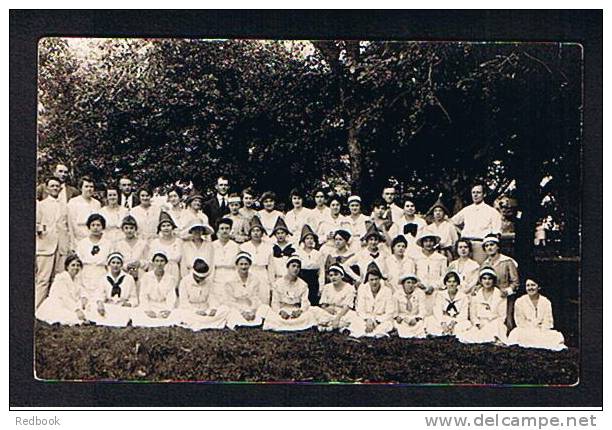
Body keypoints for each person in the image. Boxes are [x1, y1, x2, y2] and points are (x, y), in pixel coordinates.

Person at [36, 177, 71, 309]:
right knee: (43, 279)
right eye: (52, 186)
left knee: (58, 279)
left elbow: (67, 226)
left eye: (57, 186)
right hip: (46, 246)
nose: (55, 188)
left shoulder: (65, 206)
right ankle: (36, 308)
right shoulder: (41, 205)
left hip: (61, 246)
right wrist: (41, 229)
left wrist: (67, 245)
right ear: (47, 188)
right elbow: (36, 224)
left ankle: (53, 308)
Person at [507, 279, 566, 351]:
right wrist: (531, 328)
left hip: (541, 331)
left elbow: (548, 320)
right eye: (528, 286)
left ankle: (536, 342)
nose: (530, 288)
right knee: (515, 334)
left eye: (533, 285)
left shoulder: (546, 301)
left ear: (538, 287)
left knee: (556, 336)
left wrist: (541, 329)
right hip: (526, 330)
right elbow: (520, 321)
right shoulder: (520, 301)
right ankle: (539, 343)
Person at [451, 183, 502, 264]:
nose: (475, 195)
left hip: (481, 245)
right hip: (466, 245)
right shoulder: (467, 210)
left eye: (478, 192)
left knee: (479, 269)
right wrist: (461, 233)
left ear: (484, 194)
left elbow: (497, 233)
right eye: (473, 192)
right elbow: (452, 222)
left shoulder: (492, 212)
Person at [263, 255, 316, 331]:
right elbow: (274, 302)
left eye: (298, 267)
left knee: (309, 315)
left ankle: (291, 323)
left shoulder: (303, 284)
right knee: (271, 316)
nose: (296, 269)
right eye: (293, 266)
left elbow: (305, 302)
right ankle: (291, 323)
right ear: (287, 267)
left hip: (295, 309)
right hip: (282, 308)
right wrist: (280, 312)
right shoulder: (278, 283)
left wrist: (300, 311)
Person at [175, 258, 228, 331]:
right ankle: (207, 322)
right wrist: (196, 311)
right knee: (179, 313)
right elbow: (184, 302)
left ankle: (202, 322)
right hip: (190, 310)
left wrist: (213, 308)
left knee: (225, 309)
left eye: (203, 278)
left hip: (206, 309)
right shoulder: (184, 282)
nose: (200, 280)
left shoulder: (208, 282)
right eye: (198, 277)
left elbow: (212, 297)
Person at [458, 267, 507, 344]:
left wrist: (492, 323)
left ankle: (490, 338)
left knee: (496, 328)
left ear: (493, 280)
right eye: (484, 278)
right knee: (467, 335)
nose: (487, 281)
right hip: (480, 323)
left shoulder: (500, 295)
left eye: (489, 279)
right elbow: (473, 313)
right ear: (481, 280)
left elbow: (502, 316)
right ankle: (487, 338)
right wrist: (477, 323)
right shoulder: (476, 294)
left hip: (495, 323)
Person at [481, 233, 520, 331]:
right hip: (490, 296)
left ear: (497, 246)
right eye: (487, 246)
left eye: (492, 245)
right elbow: (480, 281)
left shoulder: (507, 261)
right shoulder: (485, 264)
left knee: (506, 323)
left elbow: (515, 282)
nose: (489, 248)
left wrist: (507, 291)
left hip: (504, 296)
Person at [88, 252, 137, 327]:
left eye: (118, 263)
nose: (115, 265)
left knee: (132, 311)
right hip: (109, 305)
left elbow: (134, 298)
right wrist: (100, 303)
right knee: (93, 306)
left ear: (121, 265)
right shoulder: (104, 278)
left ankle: (114, 320)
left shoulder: (129, 278)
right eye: (113, 263)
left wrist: (128, 304)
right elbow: (99, 295)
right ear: (109, 264)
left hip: (122, 306)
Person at [35, 254, 87, 325]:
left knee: (88, 309)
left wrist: (84, 297)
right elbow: (65, 297)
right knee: (72, 317)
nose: (76, 267)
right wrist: (76, 310)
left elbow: (82, 290)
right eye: (73, 265)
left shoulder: (77, 279)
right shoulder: (61, 278)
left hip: (70, 302)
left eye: (78, 265)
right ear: (67, 267)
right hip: (58, 303)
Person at [348, 262, 395, 338]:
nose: (374, 282)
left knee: (388, 324)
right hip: (366, 318)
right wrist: (368, 320)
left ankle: (368, 333)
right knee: (355, 321)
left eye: (376, 279)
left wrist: (375, 320)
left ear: (380, 279)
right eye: (371, 280)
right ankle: (372, 333)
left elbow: (390, 312)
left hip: (380, 319)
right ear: (368, 280)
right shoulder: (363, 289)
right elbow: (360, 309)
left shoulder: (387, 291)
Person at [131, 251, 178, 327]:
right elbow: (143, 296)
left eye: (162, 261)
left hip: (164, 305)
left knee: (176, 314)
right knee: (136, 314)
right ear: (153, 262)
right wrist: (147, 310)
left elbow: (171, 296)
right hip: (150, 304)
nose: (159, 264)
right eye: (157, 261)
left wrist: (168, 310)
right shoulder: (146, 276)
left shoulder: (170, 278)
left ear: (166, 263)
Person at [224, 252, 269, 328]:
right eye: (241, 264)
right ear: (237, 265)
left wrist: (253, 311)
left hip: (250, 307)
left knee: (265, 308)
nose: (243, 267)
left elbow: (255, 297)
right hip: (236, 308)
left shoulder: (255, 279)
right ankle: (241, 322)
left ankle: (254, 320)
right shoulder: (230, 280)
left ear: (250, 265)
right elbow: (229, 301)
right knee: (228, 311)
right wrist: (242, 312)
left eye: (246, 264)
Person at [75, 213, 113, 296]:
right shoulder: (82, 243)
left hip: (101, 274)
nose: (95, 228)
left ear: (103, 227)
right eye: (93, 225)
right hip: (85, 274)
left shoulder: (108, 244)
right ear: (89, 227)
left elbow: (110, 264)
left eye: (98, 225)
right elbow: (78, 262)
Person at [425, 271, 472, 338]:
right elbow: (437, 310)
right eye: (449, 282)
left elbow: (463, 314)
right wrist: (442, 322)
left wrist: (454, 322)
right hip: (443, 318)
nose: (451, 284)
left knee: (466, 324)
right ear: (445, 283)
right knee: (429, 320)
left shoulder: (463, 296)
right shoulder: (440, 295)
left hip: (456, 320)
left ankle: (449, 333)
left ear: (458, 283)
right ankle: (443, 333)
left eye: (454, 282)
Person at [239, 216, 274, 304]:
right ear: (250, 233)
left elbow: (271, 268)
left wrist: (272, 284)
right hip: (249, 274)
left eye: (258, 231)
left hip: (263, 274)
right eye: (253, 231)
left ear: (262, 233)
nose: (256, 233)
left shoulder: (268, 247)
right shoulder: (244, 247)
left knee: (263, 299)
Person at [313, 264, 357, 332]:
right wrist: (326, 309)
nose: (333, 277)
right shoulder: (327, 287)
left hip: (343, 312)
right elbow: (323, 304)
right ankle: (334, 325)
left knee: (353, 316)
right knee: (314, 310)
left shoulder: (349, 288)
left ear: (342, 275)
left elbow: (347, 306)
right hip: (329, 311)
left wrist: (338, 318)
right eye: (331, 275)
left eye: (336, 275)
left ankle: (329, 325)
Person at [414, 229, 448, 315]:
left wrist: (434, 286)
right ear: (422, 243)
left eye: (431, 241)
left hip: (436, 291)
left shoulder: (441, 258)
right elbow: (413, 275)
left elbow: (444, 277)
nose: (428, 244)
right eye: (426, 241)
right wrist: (419, 284)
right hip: (420, 291)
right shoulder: (416, 258)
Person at [113, 215, 149, 287]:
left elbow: (148, 260)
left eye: (131, 228)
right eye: (126, 228)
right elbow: (115, 261)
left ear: (135, 229)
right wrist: (126, 266)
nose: (129, 230)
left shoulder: (143, 243)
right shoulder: (118, 244)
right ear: (122, 229)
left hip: (140, 274)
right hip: (124, 274)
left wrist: (140, 263)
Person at [67, 176, 101, 246]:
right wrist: (73, 243)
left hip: (94, 239)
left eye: (91, 187)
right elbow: (71, 224)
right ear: (81, 188)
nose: (89, 189)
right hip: (79, 240)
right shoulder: (73, 202)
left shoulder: (97, 203)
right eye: (86, 186)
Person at [393, 273, 427, 338]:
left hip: (415, 317)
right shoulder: (397, 295)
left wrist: (416, 319)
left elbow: (423, 310)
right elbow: (395, 311)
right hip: (403, 318)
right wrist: (397, 317)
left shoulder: (420, 293)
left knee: (423, 323)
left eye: (413, 283)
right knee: (396, 324)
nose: (411, 285)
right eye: (408, 283)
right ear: (403, 284)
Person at [296, 224, 323, 306]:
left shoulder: (318, 254)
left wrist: (321, 287)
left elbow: (321, 271)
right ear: (303, 241)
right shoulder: (298, 253)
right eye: (307, 238)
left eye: (311, 238)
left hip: (314, 281)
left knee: (313, 303)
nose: (310, 240)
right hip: (302, 278)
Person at [425, 197, 459, 262]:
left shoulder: (450, 226)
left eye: (440, 211)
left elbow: (455, 242)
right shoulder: (429, 228)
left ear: (444, 213)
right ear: (433, 214)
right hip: (433, 253)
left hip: (447, 253)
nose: (438, 213)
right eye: (435, 211)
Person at [211, 218, 241, 289]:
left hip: (231, 277)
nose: (224, 231)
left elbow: (238, 266)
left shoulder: (236, 246)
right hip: (216, 278)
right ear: (218, 230)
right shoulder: (212, 246)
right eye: (222, 228)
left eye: (227, 228)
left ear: (230, 230)